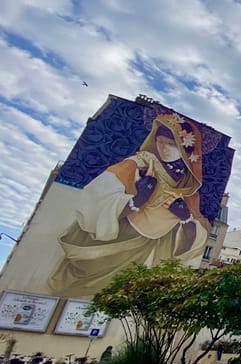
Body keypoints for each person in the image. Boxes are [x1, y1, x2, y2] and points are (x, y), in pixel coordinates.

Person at [47, 113, 210, 298]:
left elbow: (197, 237)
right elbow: (95, 198)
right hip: (111, 241)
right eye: (161, 141)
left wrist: (185, 217)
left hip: (143, 251)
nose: (164, 148)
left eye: (172, 145)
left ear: (186, 150)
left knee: (121, 293)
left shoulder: (188, 189)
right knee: (78, 290)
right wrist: (135, 200)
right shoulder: (138, 164)